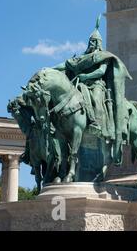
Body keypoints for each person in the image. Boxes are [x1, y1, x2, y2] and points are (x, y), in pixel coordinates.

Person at [54, 16, 132, 163]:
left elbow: (101, 72)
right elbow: (65, 65)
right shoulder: (82, 57)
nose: (92, 43)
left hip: (97, 85)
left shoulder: (104, 56)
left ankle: (96, 122)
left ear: (100, 43)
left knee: (96, 98)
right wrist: (50, 70)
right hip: (80, 83)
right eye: (91, 41)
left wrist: (85, 75)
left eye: (95, 41)